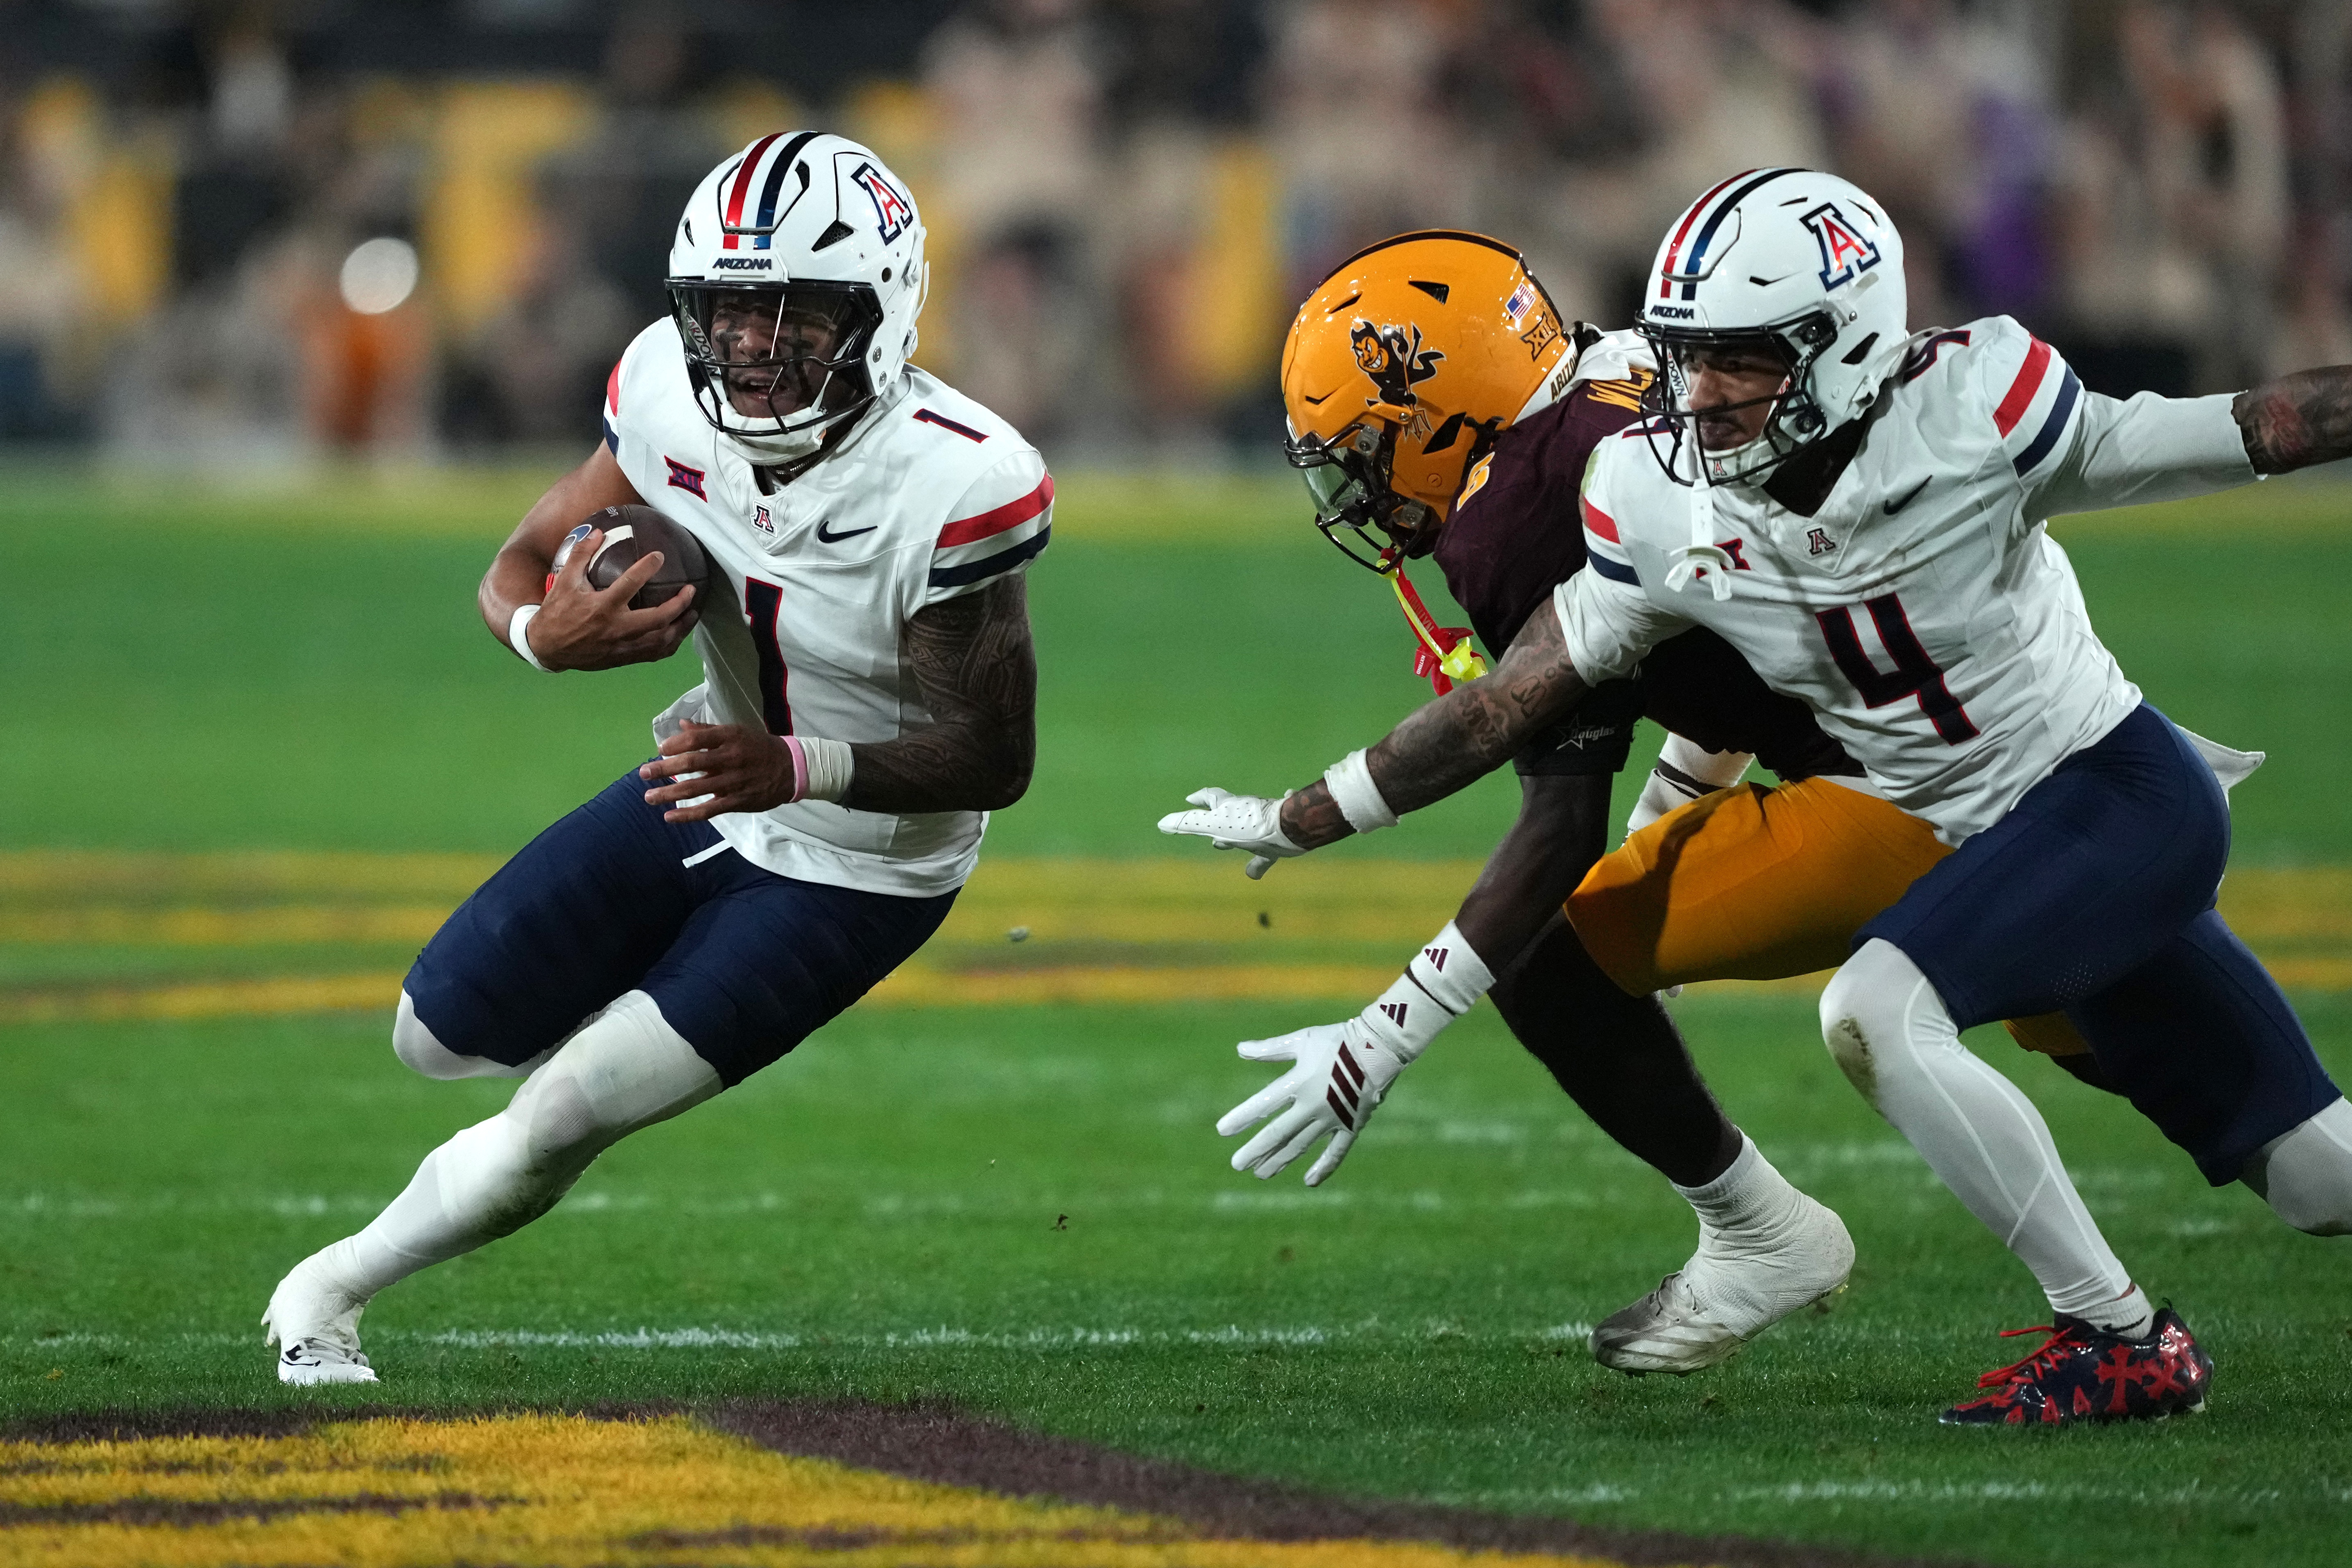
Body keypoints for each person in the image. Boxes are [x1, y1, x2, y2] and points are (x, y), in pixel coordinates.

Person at [1161, 170, 2352, 1425]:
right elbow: (1531, 690)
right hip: (1937, 815)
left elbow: (2249, 425)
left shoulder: (1971, 410)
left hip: (2099, 797)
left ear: (1841, 349)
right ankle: (1805, 1246)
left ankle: (2116, 1337)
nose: (1699, 394)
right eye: (1683, 357)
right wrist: (1307, 815)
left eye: (1739, 361)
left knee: (1882, 1014)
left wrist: (1384, 1033)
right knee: (2319, 1175)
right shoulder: (1649, 475)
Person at [262, 132, 1053, 1385]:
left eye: (795, 315)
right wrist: (544, 638)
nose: (752, 342)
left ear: (882, 310)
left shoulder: (958, 481)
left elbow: (991, 756)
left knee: (556, 1121)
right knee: (433, 1035)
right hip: (711, 785)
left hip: (860, 863)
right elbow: (515, 566)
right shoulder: (662, 392)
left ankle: (331, 1290)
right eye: (729, 308)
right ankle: (644, 1009)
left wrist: (796, 768)